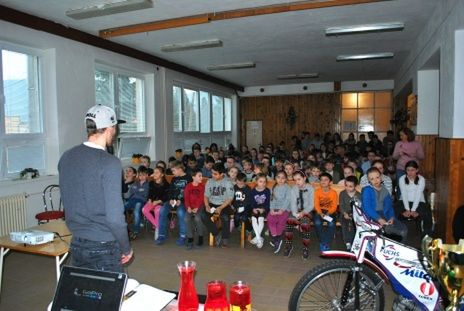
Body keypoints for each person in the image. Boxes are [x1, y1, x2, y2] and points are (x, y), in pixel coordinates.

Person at [58, 104, 132, 272]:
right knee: (109, 297)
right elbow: (115, 217)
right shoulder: (109, 162)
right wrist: (126, 247)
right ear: (110, 128)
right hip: (103, 246)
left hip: (77, 242)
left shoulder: (66, 157)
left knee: (86, 294)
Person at [362, 167, 408, 242]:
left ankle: (400, 247)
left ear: (381, 177)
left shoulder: (385, 190)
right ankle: (387, 230)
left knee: (403, 229)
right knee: (386, 228)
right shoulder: (367, 190)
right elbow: (367, 208)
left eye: (377, 177)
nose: (375, 180)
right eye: (372, 179)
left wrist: (392, 217)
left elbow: (389, 207)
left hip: (384, 214)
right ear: (369, 181)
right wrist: (378, 218)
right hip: (372, 215)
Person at [156, 161, 192, 246]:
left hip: (183, 201)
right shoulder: (174, 179)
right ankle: (161, 235)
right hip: (173, 201)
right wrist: (171, 199)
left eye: (174, 171)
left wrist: (182, 200)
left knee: (180, 212)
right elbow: (170, 191)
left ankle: (183, 235)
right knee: (162, 210)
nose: (172, 173)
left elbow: (190, 192)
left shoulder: (188, 178)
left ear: (180, 169)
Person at [395, 160, 433, 237]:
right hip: (404, 201)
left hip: (419, 201)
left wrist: (413, 210)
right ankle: (395, 235)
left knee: (427, 213)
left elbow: (418, 195)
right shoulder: (402, 178)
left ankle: (426, 236)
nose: (410, 173)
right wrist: (407, 209)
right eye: (408, 170)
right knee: (394, 211)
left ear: (417, 170)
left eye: (412, 170)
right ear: (405, 170)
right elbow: (404, 194)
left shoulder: (421, 179)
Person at [201, 163, 235, 247]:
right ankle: (216, 233)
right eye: (212, 173)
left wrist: (220, 207)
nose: (213, 175)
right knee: (203, 215)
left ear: (222, 174)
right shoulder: (210, 181)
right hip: (212, 204)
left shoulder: (227, 182)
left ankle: (225, 238)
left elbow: (230, 198)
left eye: (215, 174)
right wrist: (207, 205)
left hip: (224, 204)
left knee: (225, 217)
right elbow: (206, 195)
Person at [284, 170, 314, 260]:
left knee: (305, 224)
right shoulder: (294, 189)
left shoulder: (310, 188)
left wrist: (303, 213)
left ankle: (305, 248)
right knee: (289, 221)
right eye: (295, 180)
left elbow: (311, 205)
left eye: (299, 179)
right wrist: (294, 213)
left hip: (307, 211)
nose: (297, 182)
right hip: (296, 211)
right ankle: (289, 246)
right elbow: (293, 203)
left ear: (304, 178)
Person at [142, 166, 169, 240]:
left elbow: (166, 196)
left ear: (162, 174)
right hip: (152, 202)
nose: (154, 174)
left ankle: (157, 230)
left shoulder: (166, 184)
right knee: (144, 210)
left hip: (160, 202)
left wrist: (158, 201)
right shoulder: (151, 183)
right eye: (154, 172)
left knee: (157, 210)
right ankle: (158, 226)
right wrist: (149, 199)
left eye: (157, 172)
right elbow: (149, 194)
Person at [267, 171, 291, 254]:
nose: (280, 180)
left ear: (285, 179)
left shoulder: (287, 188)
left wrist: (282, 210)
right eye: (278, 177)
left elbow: (288, 200)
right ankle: (276, 238)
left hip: (285, 209)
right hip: (275, 209)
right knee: (270, 219)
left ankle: (277, 240)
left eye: (283, 178)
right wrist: (271, 209)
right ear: (275, 178)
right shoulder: (273, 188)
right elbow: (272, 200)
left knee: (281, 221)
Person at [313, 173, 338, 251]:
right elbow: (316, 205)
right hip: (319, 211)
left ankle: (324, 242)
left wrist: (328, 213)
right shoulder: (317, 192)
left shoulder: (333, 193)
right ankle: (325, 243)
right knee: (317, 222)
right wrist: (320, 213)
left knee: (332, 224)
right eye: (321, 180)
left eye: (326, 180)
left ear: (330, 182)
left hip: (330, 212)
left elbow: (334, 206)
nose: (323, 181)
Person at [124, 166, 150, 240]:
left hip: (141, 201)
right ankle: (124, 228)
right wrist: (139, 191)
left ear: (147, 175)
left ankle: (136, 230)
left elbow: (145, 194)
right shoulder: (135, 183)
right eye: (140, 175)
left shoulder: (148, 184)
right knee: (121, 208)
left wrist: (137, 191)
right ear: (138, 175)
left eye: (144, 175)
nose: (142, 177)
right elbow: (132, 193)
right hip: (132, 200)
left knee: (136, 211)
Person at [183, 169, 205, 249]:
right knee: (186, 218)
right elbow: (186, 198)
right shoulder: (188, 186)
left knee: (197, 218)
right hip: (190, 207)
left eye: (201, 176)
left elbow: (201, 198)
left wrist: (197, 208)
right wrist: (188, 207)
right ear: (193, 177)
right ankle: (190, 238)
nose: (201, 178)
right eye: (199, 176)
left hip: (199, 206)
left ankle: (200, 237)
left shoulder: (202, 187)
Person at [339, 175, 361, 250]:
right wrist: (345, 213)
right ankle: (347, 242)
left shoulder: (358, 195)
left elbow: (360, 207)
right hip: (344, 213)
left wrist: (354, 215)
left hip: (355, 213)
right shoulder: (342, 193)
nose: (348, 188)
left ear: (355, 186)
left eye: (350, 186)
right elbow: (341, 205)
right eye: (346, 185)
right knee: (345, 224)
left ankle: (354, 241)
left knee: (354, 225)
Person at [249, 173, 271, 249]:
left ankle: (257, 238)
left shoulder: (267, 191)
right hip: (255, 209)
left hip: (264, 209)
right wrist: (253, 209)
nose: (263, 183)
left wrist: (263, 209)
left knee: (260, 219)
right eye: (260, 181)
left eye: (264, 182)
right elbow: (251, 202)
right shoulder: (253, 191)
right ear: (256, 181)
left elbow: (268, 203)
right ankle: (259, 238)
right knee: (254, 219)